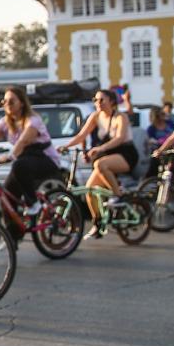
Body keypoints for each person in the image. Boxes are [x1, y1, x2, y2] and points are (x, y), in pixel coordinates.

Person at [0, 86, 61, 217]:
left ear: (22, 103)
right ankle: (13, 235)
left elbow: (23, 141)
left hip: (46, 160)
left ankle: (33, 203)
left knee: (19, 165)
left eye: (11, 101)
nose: (7, 104)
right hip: (25, 160)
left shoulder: (33, 120)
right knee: (7, 197)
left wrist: (11, 156)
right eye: (4, 101)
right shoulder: (5, 122)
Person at [58, 88, 137, 238]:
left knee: (100, 164)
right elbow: (82, 135)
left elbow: (120, 138)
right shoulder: (95, 116)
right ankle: (98, 223)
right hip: (107, 157)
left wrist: (99, 148)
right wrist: (66, 147)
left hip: (126, 155)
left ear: (112, 102)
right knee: (90, 190)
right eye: (95, 100)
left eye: (101, 100)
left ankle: (118, 194)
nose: (98, 103)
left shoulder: (121, 117)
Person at [145, 105, 174, 178]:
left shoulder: (170, 123)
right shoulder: (151, 129)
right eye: (159, 115)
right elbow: (149, 141)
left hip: (173, 147)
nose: (161, 117)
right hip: (160, 150)